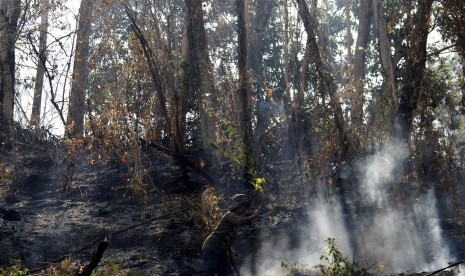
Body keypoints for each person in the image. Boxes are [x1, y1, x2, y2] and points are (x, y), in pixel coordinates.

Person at [202, 194, 261, 276]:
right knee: (210, 271)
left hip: (221, 250)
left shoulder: (234, 220)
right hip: (212, 247)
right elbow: (240, 221)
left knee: (226, 272)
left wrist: (230, 254)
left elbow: (227, 239)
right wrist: (254, 216)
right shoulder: (229, 215)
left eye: (246, 206)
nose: (245, 208)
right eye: (243, 206)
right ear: (237, 205)